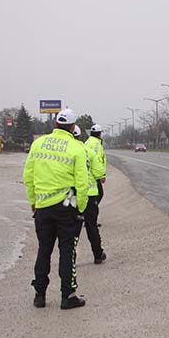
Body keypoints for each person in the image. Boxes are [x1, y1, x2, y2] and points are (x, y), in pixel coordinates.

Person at [23, 109, 89, 309]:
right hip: (66, 208)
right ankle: (67, 295)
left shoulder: (38, 144)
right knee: (67, 251)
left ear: (55, 124)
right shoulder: (77, 147)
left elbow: (28, 176)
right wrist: (82, 208)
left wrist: (33, 202)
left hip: (42, 208)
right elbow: (82, 183)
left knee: (44, 250)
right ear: (72, 127)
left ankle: (39, 295)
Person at [73, 125, 107, 264]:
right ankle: (98, 254)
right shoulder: (88, 151)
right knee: (91, 226)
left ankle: (70, 258)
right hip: (90, 194)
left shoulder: (65, 152)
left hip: (71, 196)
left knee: (72, 229)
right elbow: (99, 172)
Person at [85, 124, 107, 205]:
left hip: (86, 173)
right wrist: (102, 175)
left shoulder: (87, 142)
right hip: (93, 176)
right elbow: (97, 161)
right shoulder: (97, 145)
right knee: (98, 195)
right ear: (99, 134)